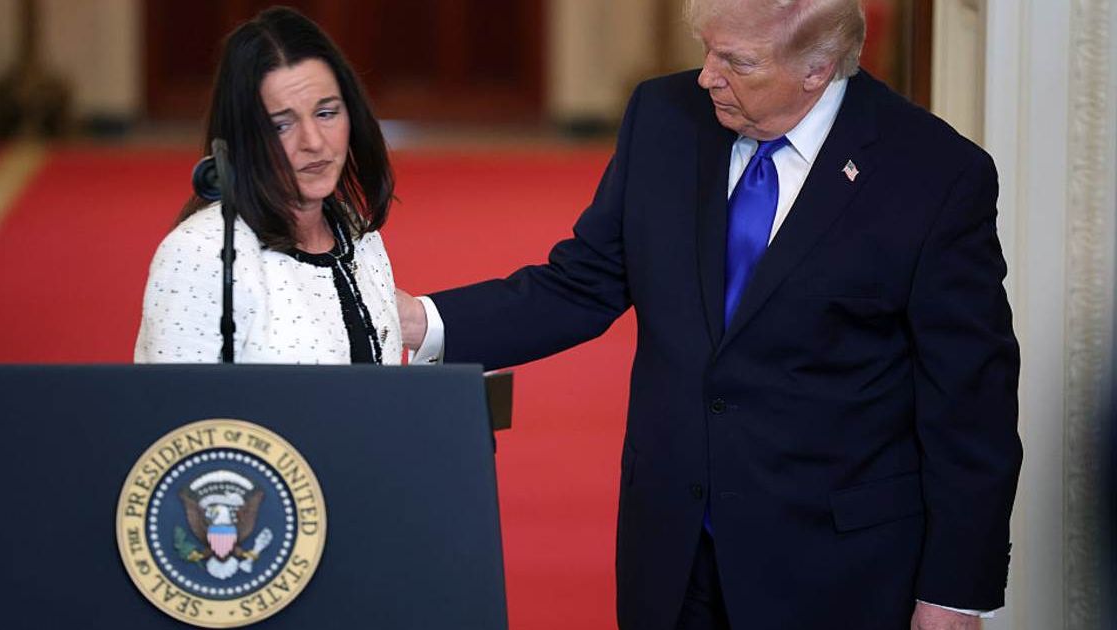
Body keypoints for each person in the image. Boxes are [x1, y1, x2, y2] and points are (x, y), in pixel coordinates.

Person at [398, 0, 1021, 628]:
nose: (706, 77)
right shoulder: (664, 117)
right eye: (706, 50)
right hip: (672, 553)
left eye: (735, 62)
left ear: (817, 68)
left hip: (836, 571)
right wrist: (423, 321)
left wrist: (953, 594)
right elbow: (584, 282)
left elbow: (971, 406)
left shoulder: (935, 176)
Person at [135, 7, 401, 365]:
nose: (314, 142)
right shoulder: (202, 253)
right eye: (281, 125)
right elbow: (177, 416)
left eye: (326, 113)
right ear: (243, 136)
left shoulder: (355, 231)